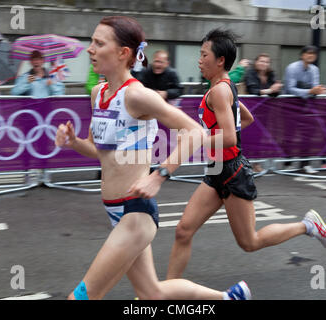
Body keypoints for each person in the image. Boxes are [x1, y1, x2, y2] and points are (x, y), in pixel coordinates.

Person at [55, 16, 250, 301]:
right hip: (114, 212)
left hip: (135, 212)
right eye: (91, 42)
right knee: (152, 294)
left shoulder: (137, 95)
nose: (90, 49)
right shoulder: (98, 94)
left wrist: (160, 175)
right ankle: (228, 298)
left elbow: (194, 132)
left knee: (82, 298)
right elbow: (99, 151)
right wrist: (74, 143)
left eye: (99, 43)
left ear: (123, 53)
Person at [166, 29, 326, 281]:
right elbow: (246, 118)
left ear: (220, 60)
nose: (199, 60)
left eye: (204, 54)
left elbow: (231, 137)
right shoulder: (221, 87)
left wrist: (197, 138)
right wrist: (210, 136)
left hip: (232, 172)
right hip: (216, 170)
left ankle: (307, 226)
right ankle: (165, 293)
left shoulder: (220, 91)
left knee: (249, 242)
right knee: (183, 231)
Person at [283, 45, 326, 174]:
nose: (310, 56)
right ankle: (288, 163)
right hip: (290, 106)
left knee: (307, 135)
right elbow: (290, 88)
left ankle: (305, 163)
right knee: (289, 135)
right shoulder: (292, 68)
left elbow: (315, 87)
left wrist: (317, 90)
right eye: (308, 53)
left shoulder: (315, 69)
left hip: (308, 106)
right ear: (302, 55)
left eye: (313, 54)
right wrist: (310, 91)